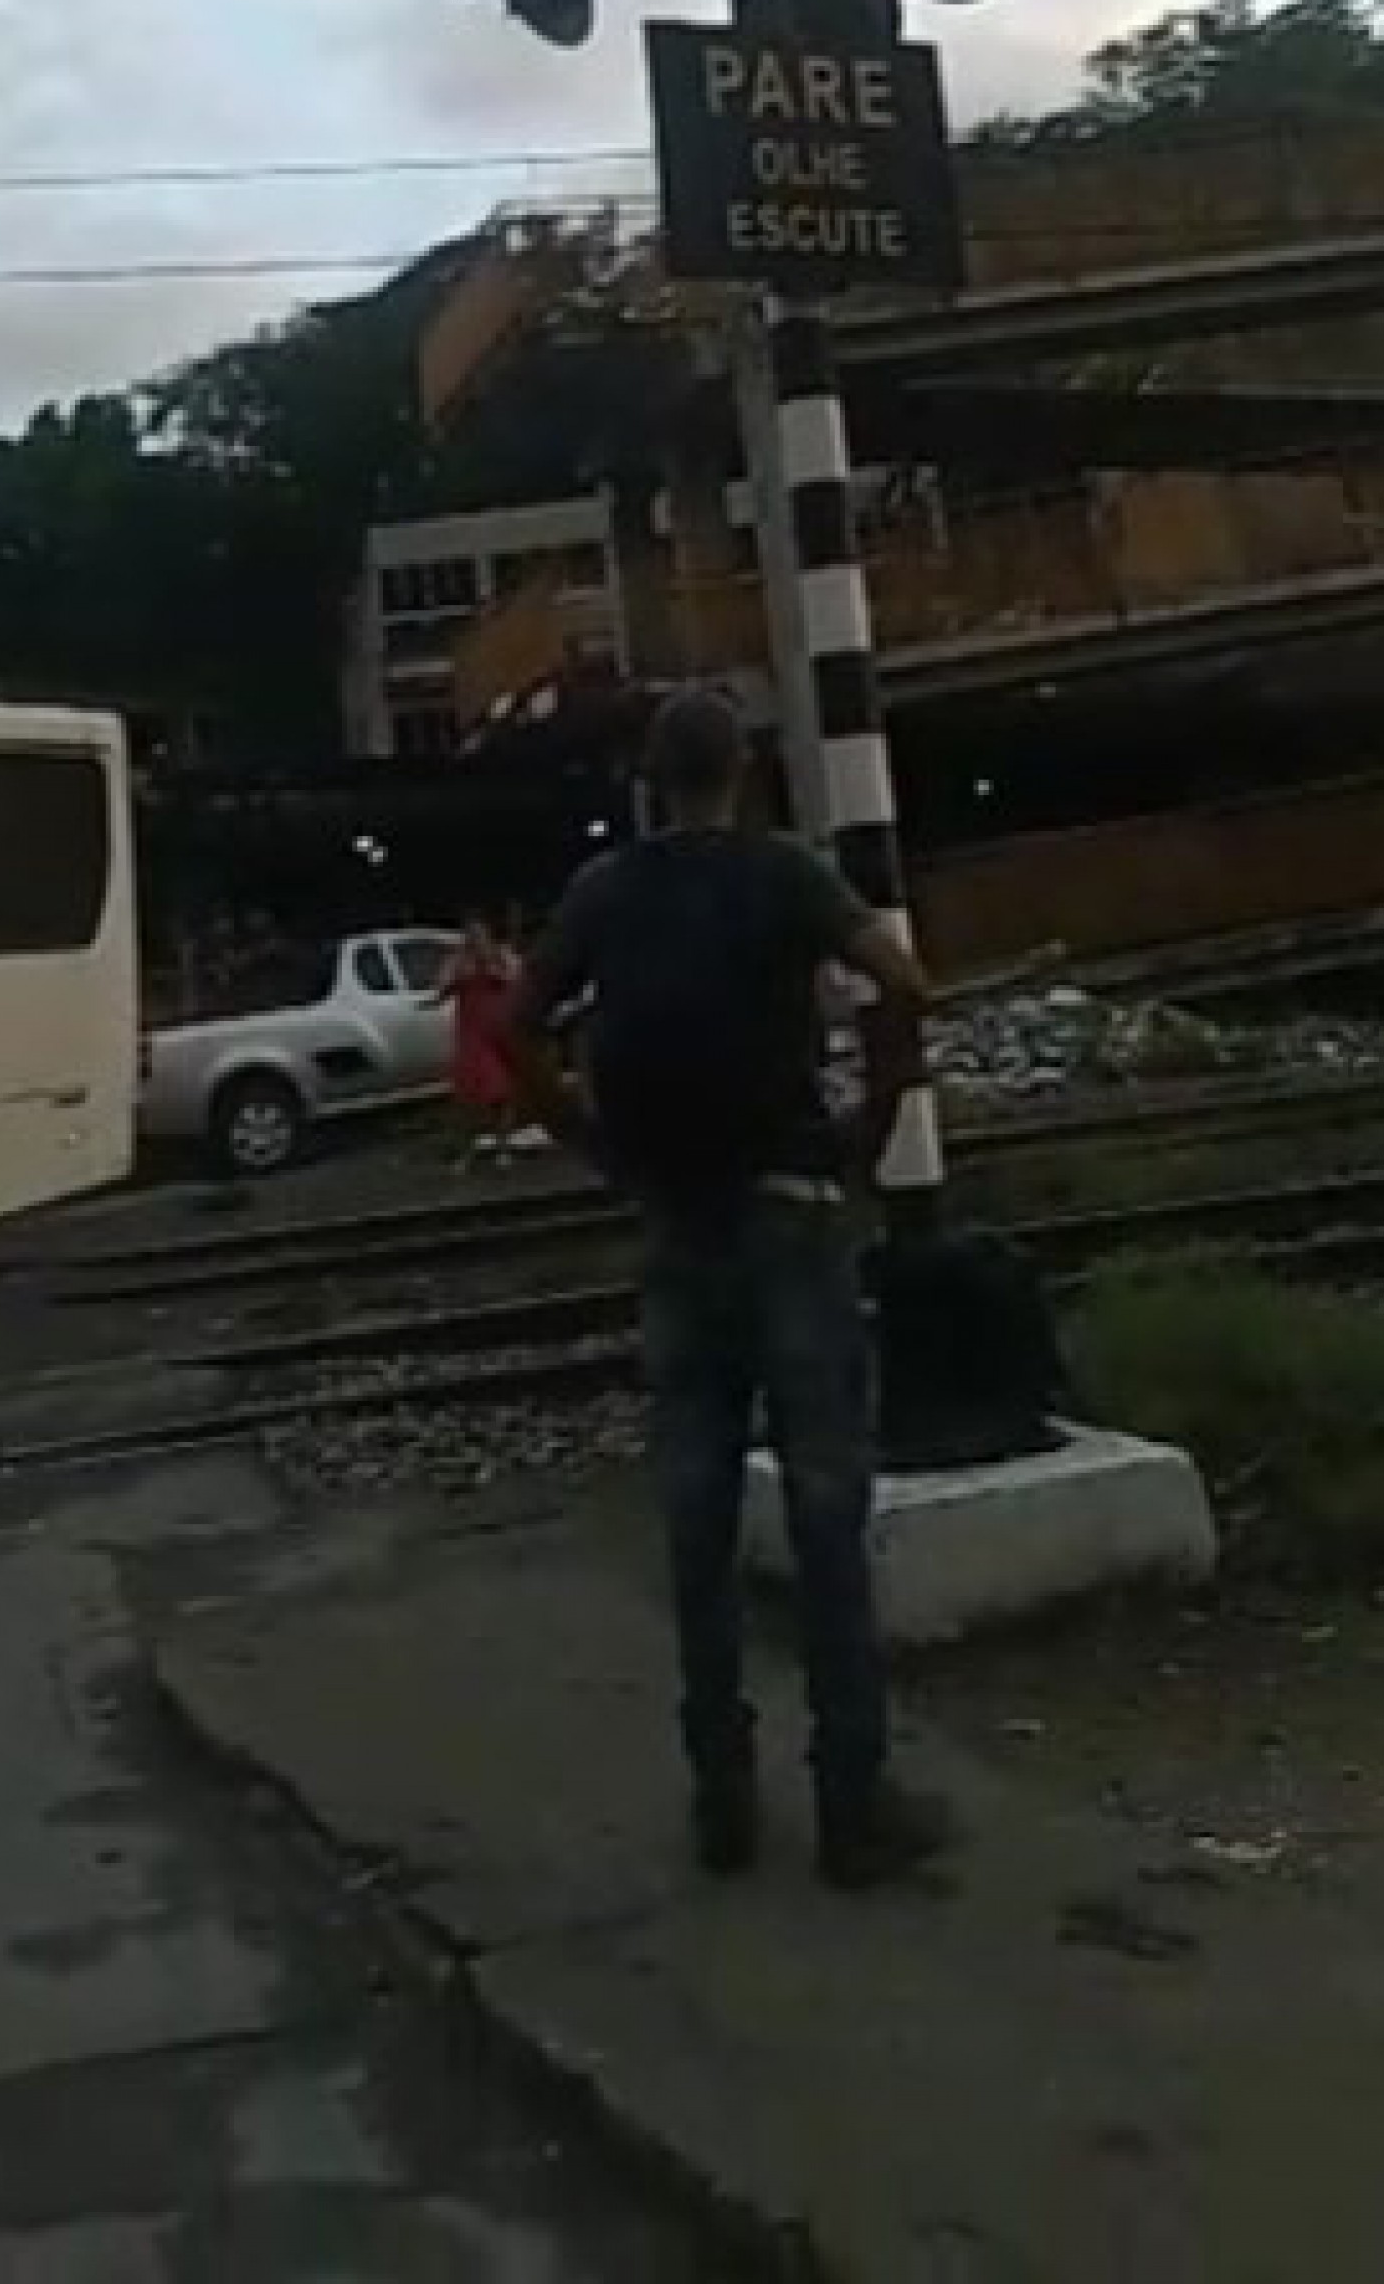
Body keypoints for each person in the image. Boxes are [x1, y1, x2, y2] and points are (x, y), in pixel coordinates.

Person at [507, 686, 950, 1889]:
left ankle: (722, 1801)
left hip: (675, 1221)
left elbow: (515, 1023)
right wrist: (878, 1112)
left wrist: (592, 1141)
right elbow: (902, 982)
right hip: (792, 1216)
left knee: (696, 1518)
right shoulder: (788, 875)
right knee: (825, 1513)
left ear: (652, 781)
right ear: (743, 770)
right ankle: (852, 1807)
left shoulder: (608, 892)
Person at [436, 916, 519, 1168]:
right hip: (470, 1034)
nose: (475, 939)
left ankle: (503, 1148)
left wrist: (496, 970)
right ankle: (466, 1153)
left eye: (479, 933)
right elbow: (441, 988)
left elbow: (516, 981)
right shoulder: (457, 961)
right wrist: (457, 979)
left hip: (496, 1030)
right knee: (467, 1095)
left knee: (500, 1091)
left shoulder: (501, 956)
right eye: (470, 934)